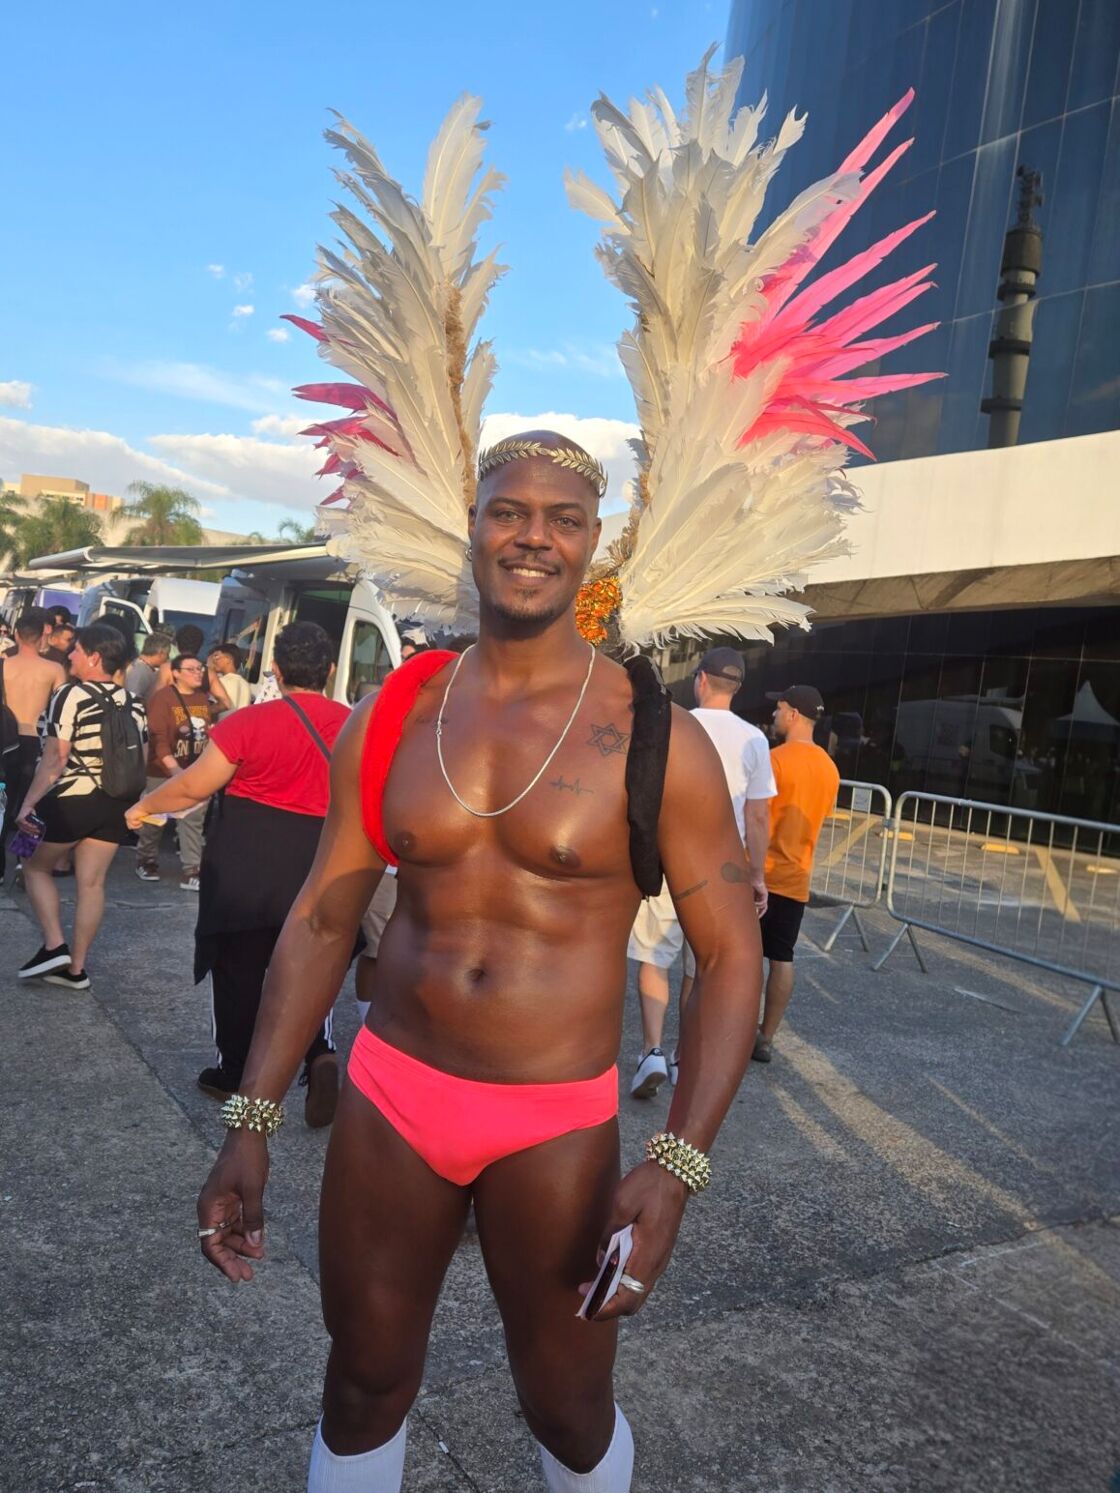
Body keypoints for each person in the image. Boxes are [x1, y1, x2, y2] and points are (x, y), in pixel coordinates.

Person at [194, 433, 761, 1493]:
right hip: (393, 1092)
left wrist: (678, 1163)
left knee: (567, 1405)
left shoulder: (654, 736)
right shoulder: (399, 712)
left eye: (562, 517)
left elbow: (728, 954)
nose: (533, 535)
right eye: (509, 511)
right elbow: (324, 918)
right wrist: (251, 1120)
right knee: (362, 1380)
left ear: (594, 545)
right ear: (473, 525)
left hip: (554, 1116)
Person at [126, 622, 348, 1124]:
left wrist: (142, 809)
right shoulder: (354, 724)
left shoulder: (248, 723)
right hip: (320, 862)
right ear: (330, 670)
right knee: (311, 964)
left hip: (246, 866)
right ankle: (320, 1051)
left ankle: (237, 1073)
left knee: (238, 970)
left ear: (275, 668)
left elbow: (193, 788)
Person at [628, 647, 776, 1099]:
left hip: (669, 858)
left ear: (702, 680)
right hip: (723, 866)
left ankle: (652, 1050)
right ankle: (682, 1055)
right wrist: (757, 876)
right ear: (735, 687)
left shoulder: (673, 724)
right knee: (703, 963)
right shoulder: (755, 739)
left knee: (655, 956)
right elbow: (758, 817)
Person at [15, 623, 147, 990]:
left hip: (74, 798)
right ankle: (76, 968)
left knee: (34, 866)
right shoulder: (134, 701)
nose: (70, 654)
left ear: (94, 657)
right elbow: (143, 756)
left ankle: (54, 945)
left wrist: (28, 803)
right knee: (92, 883)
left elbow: (56, 758)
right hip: (115, 802)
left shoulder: (71, 695)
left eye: (76, 649)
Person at [752, 684, 840, 1063]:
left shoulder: (776, 760)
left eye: (779, 708)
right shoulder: (829, 768)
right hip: (797, 877)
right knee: (782, 957)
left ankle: (736, 1029)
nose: (774, 715)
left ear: (792, 714)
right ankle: (766, 1037)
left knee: (746, 958)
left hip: (762, 875)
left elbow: (757, 818)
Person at [135, 655, 212, 890]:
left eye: (200, 668)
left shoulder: (202, 698)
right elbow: (158, 737)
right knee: (155, 818)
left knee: (193, 820)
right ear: (176, 673)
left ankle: (192, 870)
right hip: (162, 770)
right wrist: (174, 768)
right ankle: (146, 859)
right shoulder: (162, 698)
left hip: (195, 770)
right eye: (191, 669)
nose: (198, 673)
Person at [0, 609, 67, 865]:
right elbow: (61, 709)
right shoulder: (53, 669)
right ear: (42, 637)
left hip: (5, 741)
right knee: (30, 804)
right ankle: (24, 863)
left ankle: (0, 866)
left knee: (2, 802)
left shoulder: (4, 665)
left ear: (16, 635)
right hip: (35, 741)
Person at [125, 633, 173, 703]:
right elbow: (132, 698)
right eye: (167, 654)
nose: (168, 658)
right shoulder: (139, 670)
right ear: (160, 653)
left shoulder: (143, 667)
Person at [206, 643, 252, 716]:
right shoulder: (245, 684)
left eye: (216, 657)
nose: (214, 661)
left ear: (228, 659)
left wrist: (209, 669)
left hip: (224, 725)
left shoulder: (220, 682)